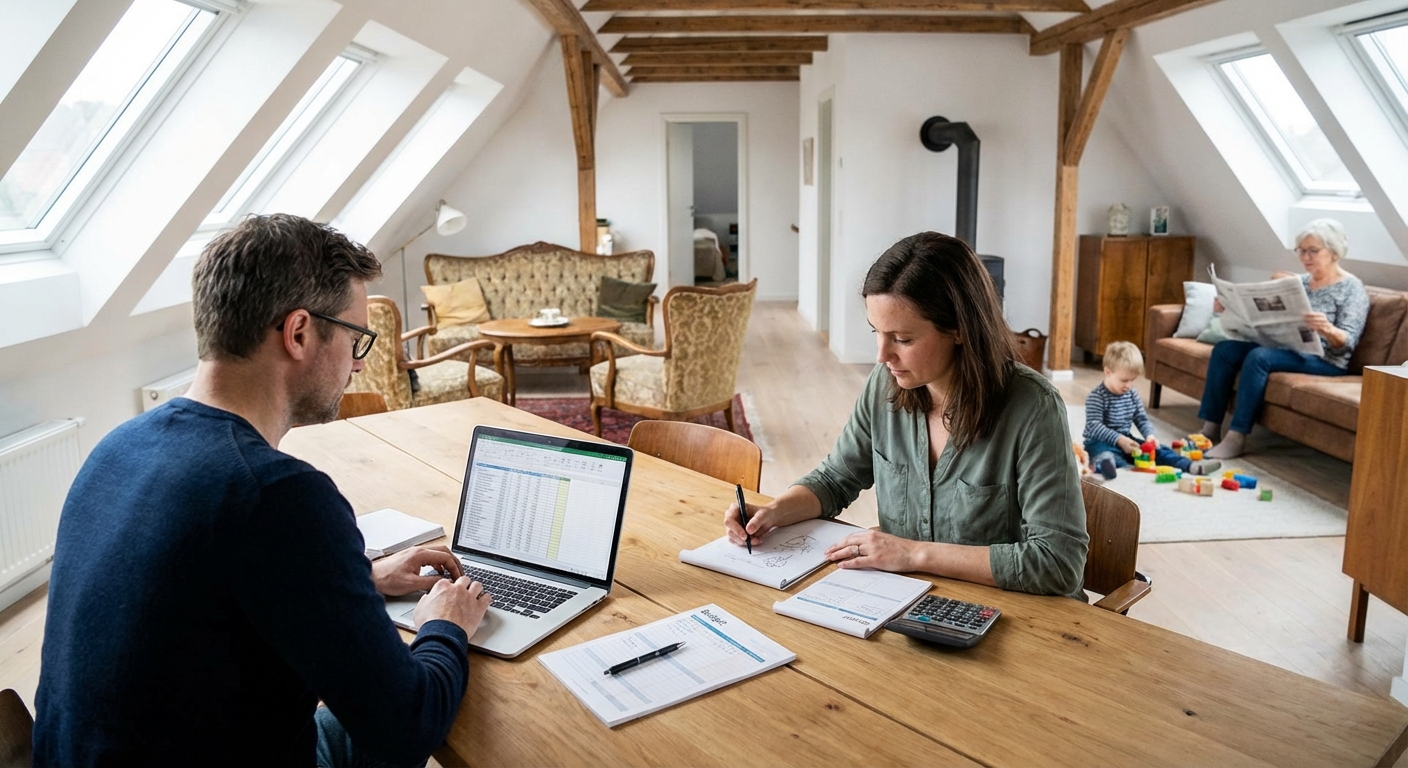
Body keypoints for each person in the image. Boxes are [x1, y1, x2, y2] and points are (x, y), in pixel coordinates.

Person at [34, 214, 490, 767]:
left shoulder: (118, 446)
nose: (358, 362)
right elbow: (407, 727)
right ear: (299, 333)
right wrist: (446, 623)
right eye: (356, 339)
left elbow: (197, 592)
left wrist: (358, 581)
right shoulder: (277, 495)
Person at [724, 232, 1089, 600]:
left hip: (1019, 618)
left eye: (902, 339)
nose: (882, 355)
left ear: (960, 329)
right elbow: (836, 479)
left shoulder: (1033, 407)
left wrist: (913, 554)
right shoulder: (884, 386)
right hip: (908, 600)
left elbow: (1058, 562)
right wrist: (773, 513)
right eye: (876, 333)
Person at [1200, 219, 1370, 459]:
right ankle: (1210, 429)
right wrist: (1228, 308)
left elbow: (1348, 341)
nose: (1305, 257)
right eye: (1301, 250)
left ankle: (1236, 437)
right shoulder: (1298, 282)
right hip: (1286, 348)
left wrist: (1328, 329)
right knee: (1225, 350)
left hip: (1326, 361)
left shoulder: (1352, 289)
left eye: (1313, 250)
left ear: (1334, 252)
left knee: (1259, 357)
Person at [1084, 341, 1221, 480]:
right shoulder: (1096, 397)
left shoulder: (1132, 394)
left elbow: (1141, 418)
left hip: (1127, 439)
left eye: (1133, 380)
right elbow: (1094, 426)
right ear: (1108, 372)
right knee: (1103, 454)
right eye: (1124, 380)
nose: (1129, 385)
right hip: (1100, 441)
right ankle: (1109, 467)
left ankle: (1190, 466)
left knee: (1159, 450)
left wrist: (1150, 436)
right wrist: (1119, 440)